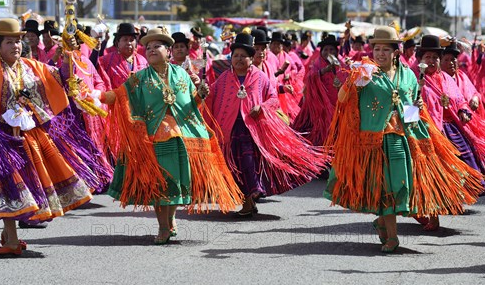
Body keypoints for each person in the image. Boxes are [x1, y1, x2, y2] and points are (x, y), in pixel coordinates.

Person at [0, 11, 111, 256]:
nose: (16, 45)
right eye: (9, 41)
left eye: (18, 41)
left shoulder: (32, 66)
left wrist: (71, 52)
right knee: (8, 185)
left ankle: (10, 236)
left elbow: (60, 75)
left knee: (25, 186)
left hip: (29, 136)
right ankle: (12, 239)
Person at [324, 26, 483, 253]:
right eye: (376, 48)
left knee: (400, 185)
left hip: (401, 138)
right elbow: (342, 99)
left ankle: (382, 222)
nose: (380, 53)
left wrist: (416, 115)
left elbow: (411, 105)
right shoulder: (365, 72)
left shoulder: (407, 74)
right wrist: (351, 82)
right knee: (384, 187)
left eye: (385, 49)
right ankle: (393, 236)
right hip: (374, 140)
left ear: (395, 52)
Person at [100, 27, 242, 245]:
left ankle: (172, 217)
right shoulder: (138, 78)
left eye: (157, 46)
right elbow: (117, 95)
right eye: (148, 47)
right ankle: (163, 227)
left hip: (181, 136)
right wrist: (91, 96)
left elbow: (190, 104)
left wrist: (201, 96)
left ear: (168, 51)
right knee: (160, 183)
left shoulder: (181, 74)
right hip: (154, 137)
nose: (151, 50)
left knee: (174, 184)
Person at [206, 32, 326, 215]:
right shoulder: (223, 79)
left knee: (248, 161)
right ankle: (248, 201)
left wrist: (261, 108)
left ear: (251, 58)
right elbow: (211, 98)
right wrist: (200, 93)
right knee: (236, 167)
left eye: (243, 56)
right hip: (228, 130)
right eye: (235, 56)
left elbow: (273, 99)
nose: (238, 59)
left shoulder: (259, 77)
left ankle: (253, 191)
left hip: (253, 129)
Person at [414, 35, 485, 197]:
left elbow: (459, 99)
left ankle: (459, 194)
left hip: (450, 127)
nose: (432, 61)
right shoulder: (414, 78)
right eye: (428, 57)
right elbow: (408, 107)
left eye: (435, 57)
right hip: (426, 129)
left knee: (464, 158)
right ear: (420, 59)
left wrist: (463, 111)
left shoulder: (446, 78)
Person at [293, 34, 347, 147]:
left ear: (336, 51)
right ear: (321, 51)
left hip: (337, 104)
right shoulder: (317, 64)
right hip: (320, 106)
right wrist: (323, 71)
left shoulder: (342, 64)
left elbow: (347, 82)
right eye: (325, 49)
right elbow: (308, 79)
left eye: (331, 49)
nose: (328, 52)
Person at [441, 41, 485, 118]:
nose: (450, 63)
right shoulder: (439, 80)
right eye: (446, 60)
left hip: (471, 119)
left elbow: (475, 92)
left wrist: (475, 99)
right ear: (440, 62)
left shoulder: (462, 76)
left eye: (453, 59)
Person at [98, 23, 148, 90]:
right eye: (125, 39)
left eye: (132, 40)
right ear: (117, 43)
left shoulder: (143, 61)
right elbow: (102, 84)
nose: (129, 43)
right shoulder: (106, 61)